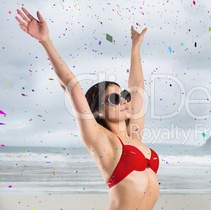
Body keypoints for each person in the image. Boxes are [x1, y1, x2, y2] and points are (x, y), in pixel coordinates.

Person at [15, 7, 159, 210]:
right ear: (98, 111)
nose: (125, 100)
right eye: (115, 98)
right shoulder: (100, 139)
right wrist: (45, 41)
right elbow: (71, 85)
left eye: (124, 95)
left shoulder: (134, 135)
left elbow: (138, 89)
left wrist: (135, 48)